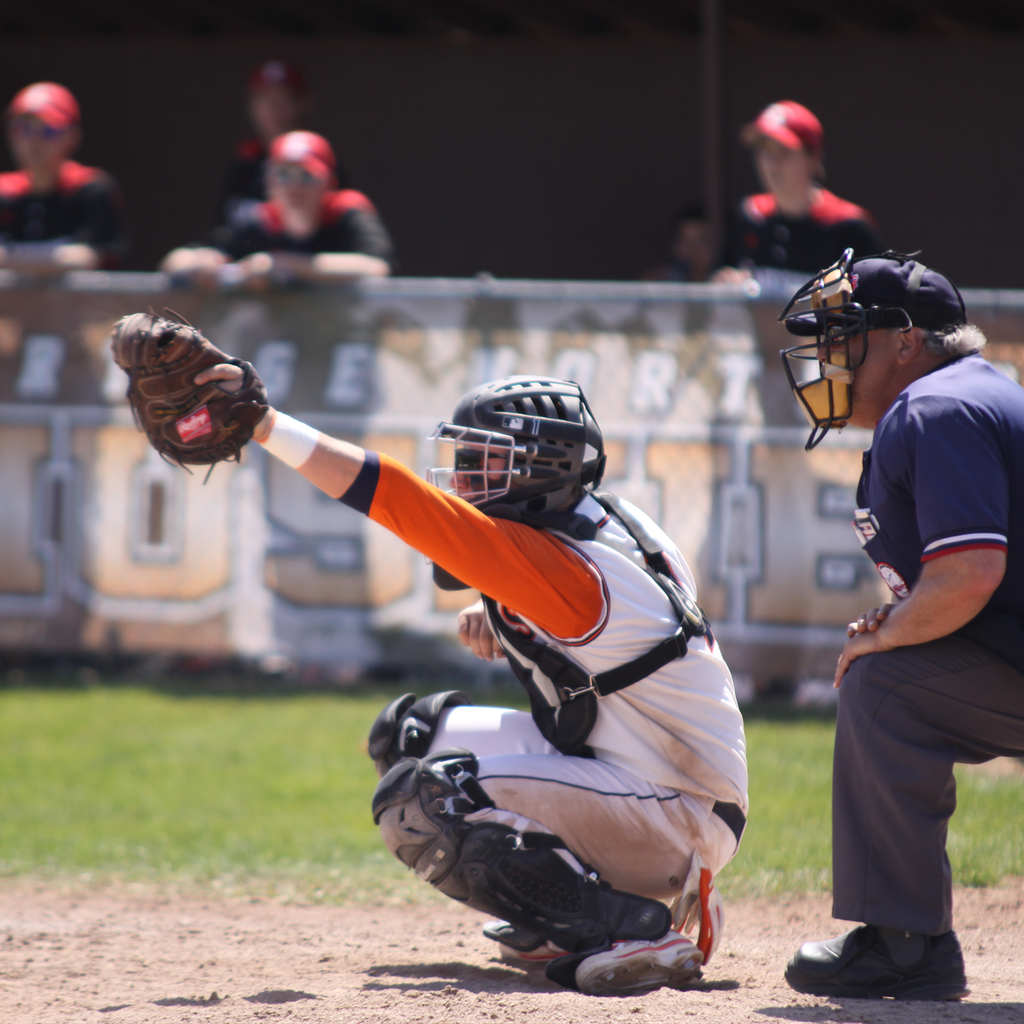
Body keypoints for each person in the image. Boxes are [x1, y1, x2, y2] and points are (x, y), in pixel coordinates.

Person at [191, 356, 747, 995]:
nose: (463, 477)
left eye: (486, 461)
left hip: (678, 809)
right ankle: (578, 914)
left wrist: (265, 425)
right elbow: (618, 634)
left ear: (541, 471)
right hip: (654, 781)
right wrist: (512, 615)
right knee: (411, 734)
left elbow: (401, 501)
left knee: (426, 798)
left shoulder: (577, 568)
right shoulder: (607, 521)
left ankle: (633, 926)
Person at [778, 249, 1024, 1000]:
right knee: (895, 671)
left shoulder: (936, 406)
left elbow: (972, 572)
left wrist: (888, 636)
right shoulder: (963, 396)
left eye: (843, 334)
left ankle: (906, 946)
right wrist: (909, 619)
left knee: (884, 685)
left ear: (905, 341)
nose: (827, 356)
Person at [161, 131, 392, 284]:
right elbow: (175, 260)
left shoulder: (346, 211)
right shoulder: (260, 221)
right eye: (283, 175)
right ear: (268, 184)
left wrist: (286, 264)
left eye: (305, 175)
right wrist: (204, 263)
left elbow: (376, 267)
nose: (294, 186)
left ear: (328, 182)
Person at [717, 101, 882, 284]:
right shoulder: (748, 216)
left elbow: (879, 297)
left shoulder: (849, 227)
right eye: (763, 149)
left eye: (782, 151)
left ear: (813, 158)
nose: (771, 163)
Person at [0, 82, 128, 271]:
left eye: (48, 131)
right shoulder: (4, 193)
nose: (34, 141)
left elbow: (85, 260)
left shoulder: (91, 189)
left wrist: (9, 257)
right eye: (23, 129)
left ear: (72, 137)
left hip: (80, 302)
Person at [219, 59, 329, 229]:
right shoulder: (245, 160)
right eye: (265, 98)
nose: (273, 108)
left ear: (305, 103)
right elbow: (222, 231)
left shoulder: (320, 158)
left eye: (283, 98)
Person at [642, 203, 715, 283]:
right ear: (674, 247)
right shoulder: (660, 282)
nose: (693, 250)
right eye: (686, 242)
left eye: (702, 241)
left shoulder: (721, 285)